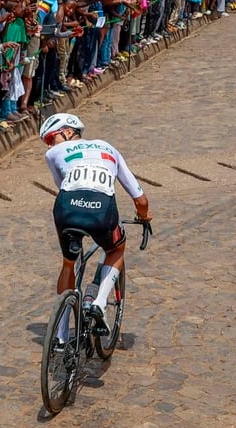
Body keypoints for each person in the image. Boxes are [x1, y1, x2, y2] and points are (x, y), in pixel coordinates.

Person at [39, 112, 150, 339]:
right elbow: (140, 199)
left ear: (68, 132)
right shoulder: (109, 149)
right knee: (116, 248)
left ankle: (60, 336)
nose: (50, 144)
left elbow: (64, 186)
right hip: (102, 209)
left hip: (67, 207)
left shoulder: (52, 155)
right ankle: (99, 302)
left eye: (51, 138)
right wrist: (144, 216)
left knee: (68, 264)